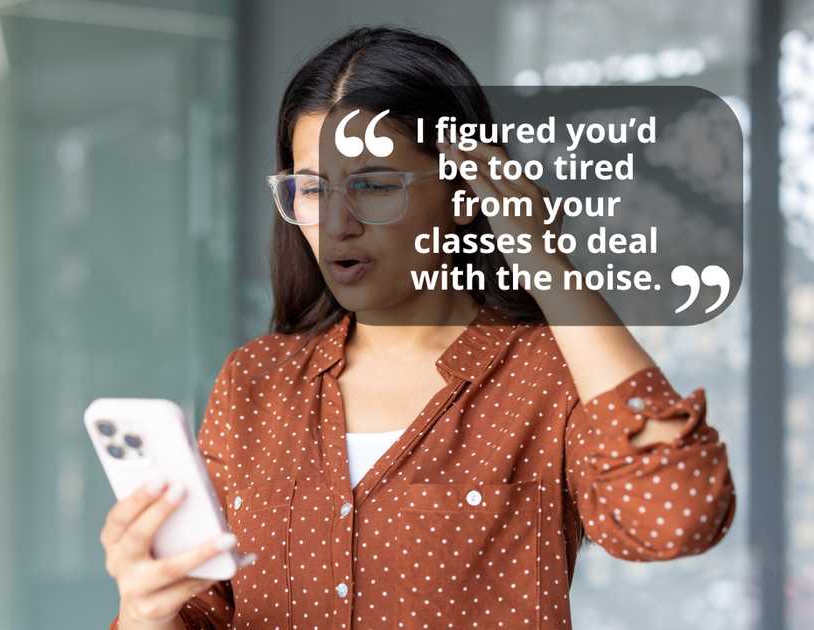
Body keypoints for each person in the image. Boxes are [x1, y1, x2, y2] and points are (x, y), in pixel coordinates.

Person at [101, 26, 736, 629]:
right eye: (314, 189)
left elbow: (676, 516)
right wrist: (144, 611)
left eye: (374, 185)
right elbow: (202, 615)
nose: (340, 225)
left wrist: (542, 257)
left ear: (464, 190)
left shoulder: (550, 371)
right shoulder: (255, 382)